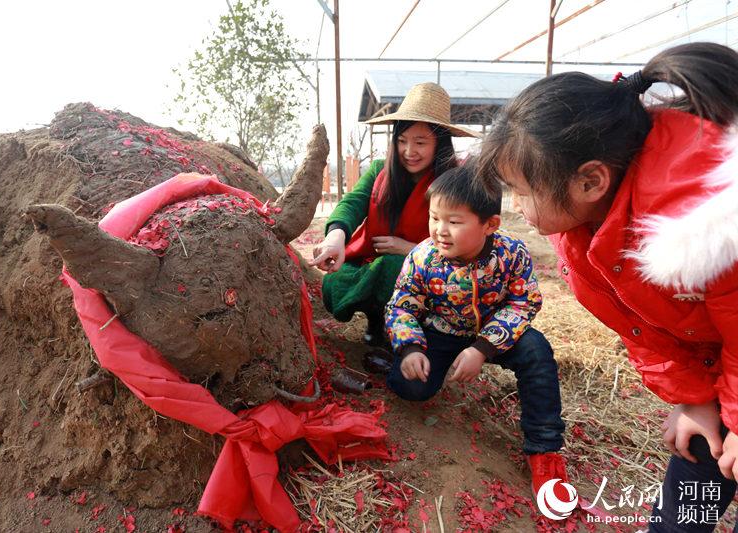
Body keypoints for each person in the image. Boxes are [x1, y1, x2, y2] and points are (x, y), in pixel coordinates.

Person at [477, 42, 738, 531]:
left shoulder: (706, 223)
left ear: (590, 180)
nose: (517, 205)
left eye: (524, 191)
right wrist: (696, 399)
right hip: (719, 368)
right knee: (683, 513)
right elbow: (643, 326)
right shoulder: (582, 232)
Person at [385, 165, 568, 497]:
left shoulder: (511, 253)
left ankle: (545, 449)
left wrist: (482, 348)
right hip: (442, 331)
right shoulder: (422, 258)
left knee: (536, 351)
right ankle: (398, 362)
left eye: (454, 222)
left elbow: (523, 302)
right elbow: (402, 305)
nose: (440, 230)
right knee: (409, 387)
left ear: (490, 224)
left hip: (496, 333)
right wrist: (410, 348)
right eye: (434, 217)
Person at [309, 82, 477, 345]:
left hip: (432, 269)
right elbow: (353, 202)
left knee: (393, 268)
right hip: (372, 259)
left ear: (439, 143)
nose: (409, 152)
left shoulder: (453, 181)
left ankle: (413, 329)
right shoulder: (380, 171)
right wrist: (336, 237)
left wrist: (410, 249)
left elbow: (463, 239)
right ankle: (378, 320)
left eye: (420, 142)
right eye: (402, 141)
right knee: (339, 279)